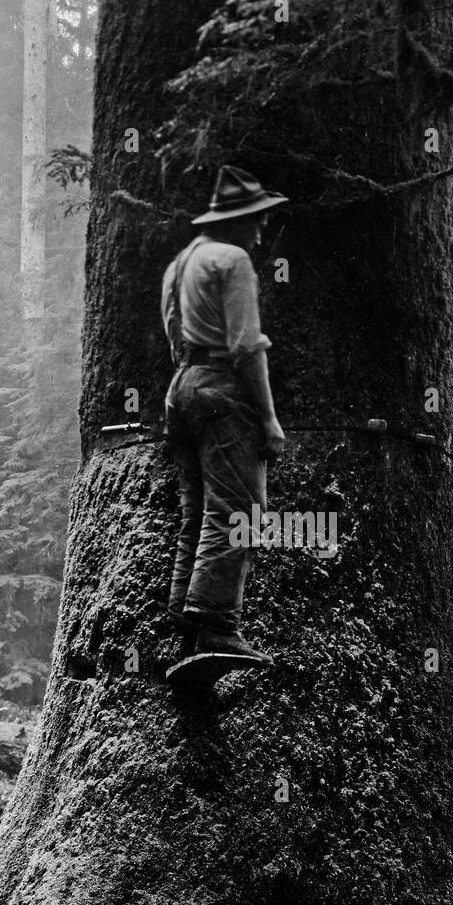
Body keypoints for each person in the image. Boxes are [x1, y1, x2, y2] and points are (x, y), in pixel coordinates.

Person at [162, 166, 288, 662]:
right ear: (236, 220)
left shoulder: (182, 263)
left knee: (198, 510)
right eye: (255, 220)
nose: (260, 230)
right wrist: (269, 418)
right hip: (221, 389)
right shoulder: (232, 259)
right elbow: (245, 347)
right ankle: (216, 625)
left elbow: (176, 337)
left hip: (182, 388)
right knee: (240, 510)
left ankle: (183, 621)